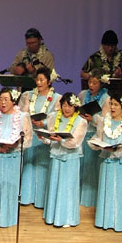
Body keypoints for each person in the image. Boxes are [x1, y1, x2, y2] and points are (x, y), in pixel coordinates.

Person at [89, 91, 122, 232]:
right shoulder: (104, 121)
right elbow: (98, 138)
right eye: (111, 104)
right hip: (107, 162)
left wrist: (115, 150)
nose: (112, 107)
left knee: (121, 193)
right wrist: (95, 143)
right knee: (108, 191)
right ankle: (105, 221)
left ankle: (121, 223)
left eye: (116, 104)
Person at [0, 87, 33, 228]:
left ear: (14, 101)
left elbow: (28, 139)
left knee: (10, 186)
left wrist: (15, 144)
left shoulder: (22, 116)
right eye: (0, 99)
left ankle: (9, 217)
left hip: (12, 158)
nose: (3, 102)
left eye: (6, 99)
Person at [39, 93, 87, 228]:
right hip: (56, 156)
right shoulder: (54, 117)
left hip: (70, 158)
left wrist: (61, 140)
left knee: (67, 187)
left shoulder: (81, 122)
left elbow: (75, 142)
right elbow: (51, 139)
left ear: (75, 107)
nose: (66, 109)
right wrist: (44, 137)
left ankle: (68, 218)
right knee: (54, 184)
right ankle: (52, 216)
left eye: (69, 106)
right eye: (64, 105)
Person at [18, 67, 61, 208]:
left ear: (49, 81)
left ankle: (41, 200)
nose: (39, 82)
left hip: (44, 136)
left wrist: (44, 123)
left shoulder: (57, 98)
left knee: (42, 166)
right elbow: (20, 113)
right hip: (31, 133)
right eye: (37, 79)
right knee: (29, 165)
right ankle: (26, 197)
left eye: (42, 80)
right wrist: (28, 118)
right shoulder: (27, 95)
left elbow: (58, 117)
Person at [78, 69, 111, 208]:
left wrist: (93, 119)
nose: (91, 85)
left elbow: (106, 120)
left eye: (95, 83)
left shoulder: (106, 98)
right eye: (90, 82)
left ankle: (90, 199)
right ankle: (78, 196)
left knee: (91, 166)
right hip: (82, 133)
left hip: (94, 134)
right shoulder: (83, 94)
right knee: (81, 165)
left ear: (101, 84)